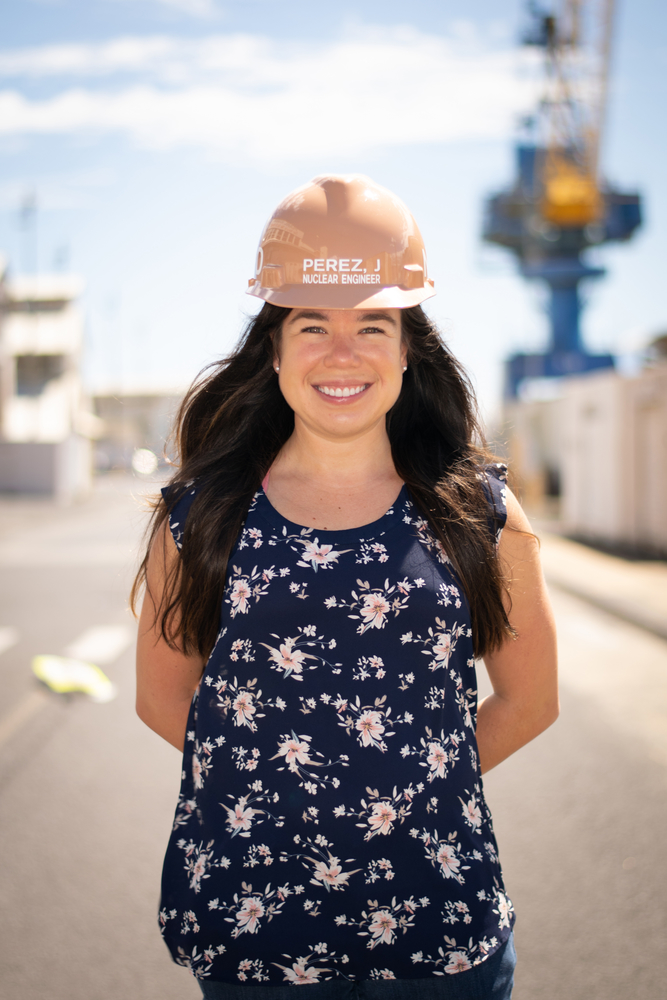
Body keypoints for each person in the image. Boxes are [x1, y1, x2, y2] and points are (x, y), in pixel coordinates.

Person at [134, 174, 558, 999]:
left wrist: (403, 796)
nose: (342, 352)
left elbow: (529, 702)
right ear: (274, 346)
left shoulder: (481, 512)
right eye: (311, 325)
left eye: (373, 323)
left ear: (407, 347)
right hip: (257, 927)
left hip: (438, 929)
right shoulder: (200, 515)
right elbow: (162, 699)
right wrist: (278, 800)